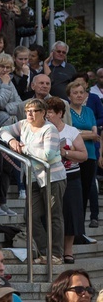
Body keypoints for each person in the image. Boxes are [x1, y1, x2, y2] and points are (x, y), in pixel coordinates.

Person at [0, 98, 67, 265]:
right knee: (30, 216)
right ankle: (45, 252)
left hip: (53, 178)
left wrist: (24, 148)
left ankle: (57, 254)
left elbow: (48, 155)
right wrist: (12, 141)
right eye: (28, 110)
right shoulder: (23, 124)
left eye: (34, 110)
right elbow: (1, 130)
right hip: (33, 178)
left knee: (54, 216)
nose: (29, 114)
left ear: (43, 113)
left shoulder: (49, 129)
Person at [46, 96, 87, 263]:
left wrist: (66, 153)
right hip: (49, 177)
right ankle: (51, 250)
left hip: (71, 177)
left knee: (70, 213)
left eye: (50, 112)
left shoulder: (71, 131)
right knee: (51, 214)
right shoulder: (42, 130)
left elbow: (83, 155)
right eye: (45, 112)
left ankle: (68, 251)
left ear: (60, 113)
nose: (47, 116)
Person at [67, 81, 98, 229]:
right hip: (72, 155)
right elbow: (68, 133)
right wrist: (83, 133)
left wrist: (78, 132)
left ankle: (81, 230)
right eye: (75, 92)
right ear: (69, 95)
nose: (79, 95)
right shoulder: (66, 112)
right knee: (74, 195)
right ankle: (74, 229)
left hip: (90, 155)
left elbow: (95, 135)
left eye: (82, 92)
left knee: (85, 192)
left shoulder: (89, 111)